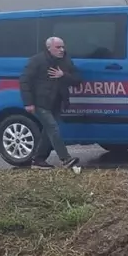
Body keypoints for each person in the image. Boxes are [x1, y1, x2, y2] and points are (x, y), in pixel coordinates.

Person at [20, 36, 82, 170]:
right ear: (49, 48)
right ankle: (66, 159)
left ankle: (38, 160)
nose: (62, 50)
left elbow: (77, 80)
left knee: (47, 132)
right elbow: (24, 81)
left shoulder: (66, 61)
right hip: (40, 103)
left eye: (63, 47)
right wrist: (28, 103)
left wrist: (63, 75)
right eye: (58, 47)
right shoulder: (37, 60)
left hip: (56, 103)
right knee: (53, 128)